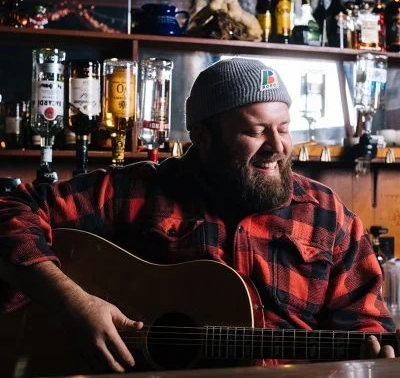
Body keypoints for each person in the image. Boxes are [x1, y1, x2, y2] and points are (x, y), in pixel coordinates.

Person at [0, 57, 398, 374]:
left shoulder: (327, 216)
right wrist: (75, 304)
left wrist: (372, 354)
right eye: (256, 131)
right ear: (204, 138)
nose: (277, 147)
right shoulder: (137, 190)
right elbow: (10, 209)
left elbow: (367, 329)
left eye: (284, 128)